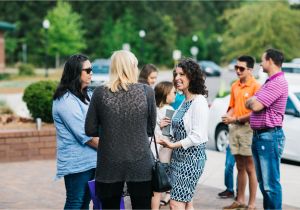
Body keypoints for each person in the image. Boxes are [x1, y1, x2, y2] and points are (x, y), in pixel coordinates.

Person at [85, 50, 156, 209]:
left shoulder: (99, 93)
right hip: (140, 162)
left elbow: (90, 129)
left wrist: (111, 129)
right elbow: (150, 129)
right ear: (132, 67)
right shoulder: (146, 92)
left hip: (109, 163)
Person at [159, 58, 209, 210]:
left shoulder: (199, 101)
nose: (176, 78)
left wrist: (173, 145)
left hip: (191, 160)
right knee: (187, 202)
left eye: (182, 74)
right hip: (177, 158)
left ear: (192, 77)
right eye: (176, 74)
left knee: (175, 203)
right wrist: (165, 127)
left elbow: (198, 136)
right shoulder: (184, 101)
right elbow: (180, 130)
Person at [52, 54, 99, 209]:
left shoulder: (87, 95)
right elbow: (85, 135)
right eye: (88, 70)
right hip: (77, 164)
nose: (92, 72)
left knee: (85, 202)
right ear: (76, 72)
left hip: (92, 161)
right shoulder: (65, 100)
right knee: (75, 202)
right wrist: (111, 148)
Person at [246, 49, 288, 210]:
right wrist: (253, 101)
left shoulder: (277, 82)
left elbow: (255, 105)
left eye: (262, 60)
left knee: (270, 184)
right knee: (264, 183)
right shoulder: (269, 81)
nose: (260, 63)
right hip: (260, 137)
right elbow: (251, 103)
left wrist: (253, 101)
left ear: (270, 61)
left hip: (269, 137)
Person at [222, 55, 260, 210]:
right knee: (239, 167)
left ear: (250, 70)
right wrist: (228, 116)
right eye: (236, 67)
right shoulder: (234, 86)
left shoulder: (256, 86)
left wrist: (235, 119)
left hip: (248, 129)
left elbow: (255, 113)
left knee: (250, 168)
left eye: (241, 68)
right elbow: (232, 105)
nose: (237, 70)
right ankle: (240, 201)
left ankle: (251, 204)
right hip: (235, 128)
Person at [152, 81, 176, 209]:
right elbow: (169, 133)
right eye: (173, 93)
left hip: (154, 149)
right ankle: (164, 197)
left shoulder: (153, 108)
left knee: (156, 180)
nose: (175, 95)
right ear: (166, 94)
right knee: (163, 178)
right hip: (165, 150)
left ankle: (161, 199)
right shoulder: (170, 110)